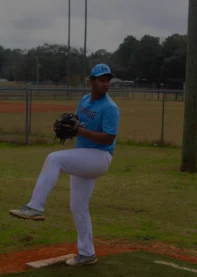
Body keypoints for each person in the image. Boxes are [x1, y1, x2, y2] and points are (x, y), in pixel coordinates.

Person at [9, 63, 120, 266]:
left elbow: (108, 138)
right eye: (101, 80)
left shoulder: (110, 108)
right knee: (78, 206)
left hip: (100, 157)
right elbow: (77, 124)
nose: (105, 84)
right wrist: (70, 129)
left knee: (54, 158)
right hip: (84, 155)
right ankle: (87, 253)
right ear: (91, 81)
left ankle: (35, 207)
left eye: (107, 80)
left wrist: (80, 132)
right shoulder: (85, 100)